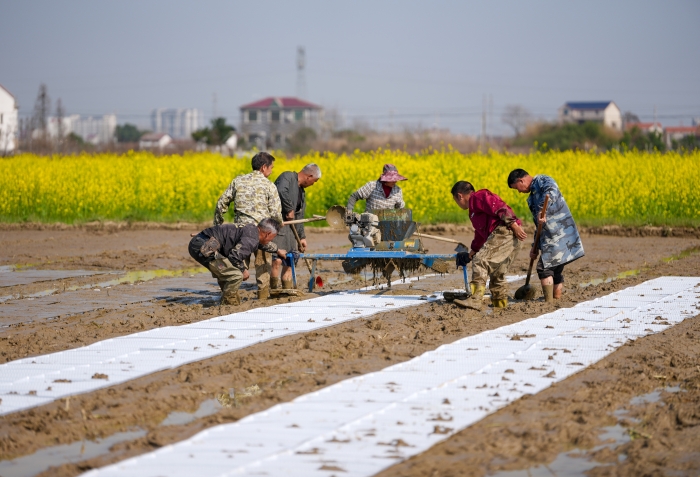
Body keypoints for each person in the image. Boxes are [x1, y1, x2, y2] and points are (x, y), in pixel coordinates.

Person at [214, 152, 284, 299]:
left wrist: (217, 226)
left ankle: (230, 297)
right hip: (261, 233)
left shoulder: (238, 181)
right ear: (264, 167)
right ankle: (262, 297)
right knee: (263, 267)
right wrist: (278, 224)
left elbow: (221, 204)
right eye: (271, 168)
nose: (272, 171)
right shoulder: (269, 185)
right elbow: (276, 213)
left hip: (240, 233)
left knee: (237, 263)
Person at [507, 169, 584, 302]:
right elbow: (539, 226)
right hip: (550, 237)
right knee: (556, 270)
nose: (518, 191)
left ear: (521, 180)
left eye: (516, 188)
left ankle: (548, 302)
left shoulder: (542, 180)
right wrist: (535, 247)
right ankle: (556, 298)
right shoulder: (531, 198)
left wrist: (543, 210)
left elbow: (551, 191)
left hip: (560, 233)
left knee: (544, 268)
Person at [451, 181, 527, 310]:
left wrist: (513, 224)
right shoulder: (473, 211)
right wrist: (473, 251)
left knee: (480, 261)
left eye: (456, 200)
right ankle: (500, 304)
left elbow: (500, 207)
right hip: (509, 236)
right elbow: (480, 234)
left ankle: (475, 300)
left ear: (460, 196)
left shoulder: (478, 197)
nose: (457, 204)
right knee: (497, 272)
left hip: (504, 232)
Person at [188, 218, 285, 306]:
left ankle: (228, 299)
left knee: (228, 271)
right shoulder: (251, 239)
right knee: (236, 275)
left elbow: (261, 244)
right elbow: (234, 256)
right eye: (273, 237)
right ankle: (229, 304)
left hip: (202, 241)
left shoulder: (252, 229)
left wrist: (277, 250)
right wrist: (243, 270)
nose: (271, 240)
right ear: (268, 233)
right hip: (204, 248)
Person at [270, 163, 322, 290]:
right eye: (314, 181)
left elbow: (299, 216)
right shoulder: (287, 177)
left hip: (292, 232)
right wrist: (289, 209)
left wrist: (302, 237)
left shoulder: (302, 193)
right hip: (279, 226)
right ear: (309, 176)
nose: (313, 184)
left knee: (290, 261)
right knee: (277, 260)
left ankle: (286, 289)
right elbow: (281, 191)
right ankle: (273, 289)